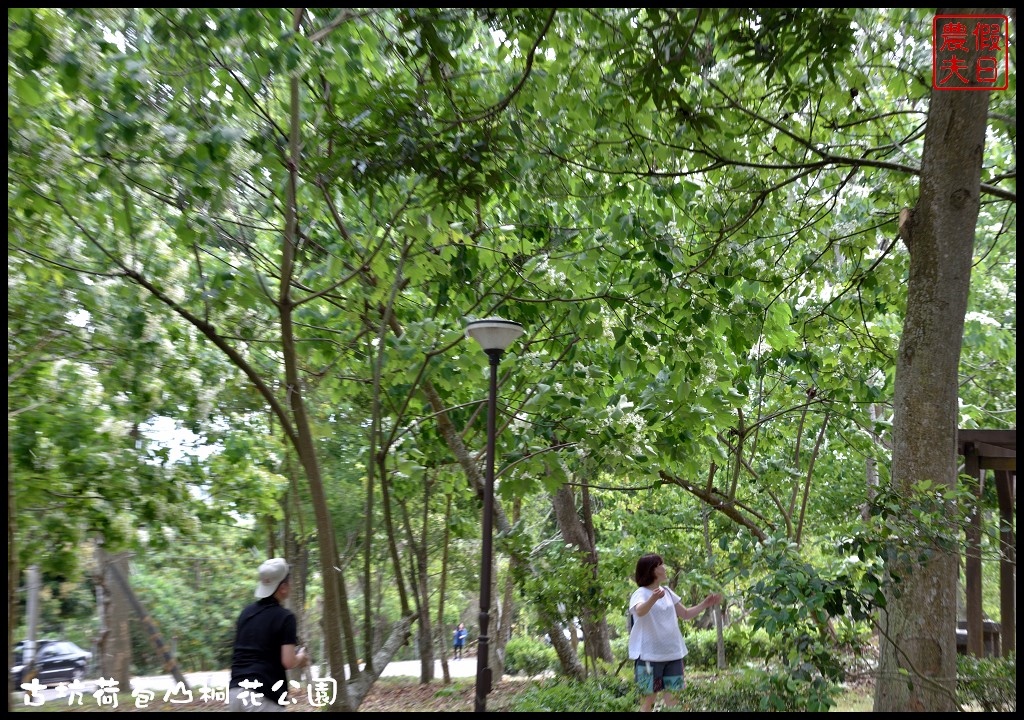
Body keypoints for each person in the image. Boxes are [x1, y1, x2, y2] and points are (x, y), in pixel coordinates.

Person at [628, 553, 723, 712]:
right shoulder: (640, 593)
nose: (665, 568)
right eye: (661, 565)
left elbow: (685, 614)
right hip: (648, 658)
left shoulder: (667, 592)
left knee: (674, 702)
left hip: (673, 656)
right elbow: (640, 610)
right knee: (647, 702)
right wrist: (652, 599)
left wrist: (706, 603)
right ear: (652, 570)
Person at [229, 558, 310, 712]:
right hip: (262, 697)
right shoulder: (285, 618)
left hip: (235, 693)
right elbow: (288, 661)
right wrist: (301, 658)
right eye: (290, 581)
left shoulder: (246, 613)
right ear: (283, 587)